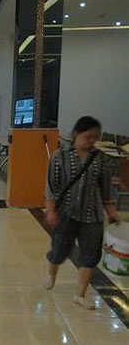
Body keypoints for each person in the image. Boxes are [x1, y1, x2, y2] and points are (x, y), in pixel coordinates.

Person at [44, 116, 121, 309]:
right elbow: (51, 188)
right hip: (65, 213)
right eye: (88, 136)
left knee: (91, 254)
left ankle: (80, 295)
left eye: (95, 137)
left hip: (92, 214)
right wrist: (51, 211)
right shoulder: (60, 156)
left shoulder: (99, 158)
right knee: (59, 251)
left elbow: (105, 190)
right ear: (76, 134)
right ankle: (52, 274)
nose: (91, 141)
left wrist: (111, 212)